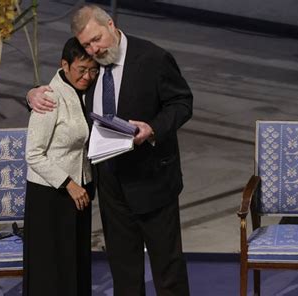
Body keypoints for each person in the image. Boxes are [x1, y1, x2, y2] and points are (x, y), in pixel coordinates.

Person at [27, 5, 193, 295]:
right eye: (87, 45)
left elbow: (181, 103)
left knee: (167, 270)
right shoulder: (92, 67)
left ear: (111, 24)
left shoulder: (152, 58)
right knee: (124, 270)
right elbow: (65, 82)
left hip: (151, 179)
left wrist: (152, 129)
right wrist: (31, 94)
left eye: (97, 39)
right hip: (110, 183)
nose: (94, 49)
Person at [23, 37, 99, 296]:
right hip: (52, 195)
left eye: (92, 69)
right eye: (81, 70)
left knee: (75, 262)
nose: (88, 76)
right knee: (52, 267)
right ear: (64, 65)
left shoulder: (87, 92)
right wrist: (69, 183)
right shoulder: (48, 98)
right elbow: (33, 154)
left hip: (80, 191)